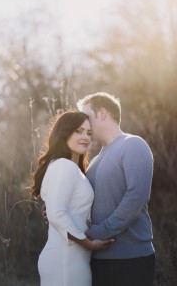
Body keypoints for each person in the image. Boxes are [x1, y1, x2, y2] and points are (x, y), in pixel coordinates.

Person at [77, 92, 155, 286]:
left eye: (87, 117)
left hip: (130, 260)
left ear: (102, 113)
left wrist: (101, 231)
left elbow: (136, 197)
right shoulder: (94, 161)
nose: (83, 125)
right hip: (98, 259)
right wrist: (55, 211)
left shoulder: (133, 145)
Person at [29, 111, 113, 286]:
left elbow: (57, 211)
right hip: (65, 259)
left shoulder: (72, 168)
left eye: (89, 133)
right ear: (64, 133)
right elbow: (56, 213)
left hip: (71, 258)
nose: (85, 137)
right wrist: (89, 244)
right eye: (78, 131)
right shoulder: (64, 166)